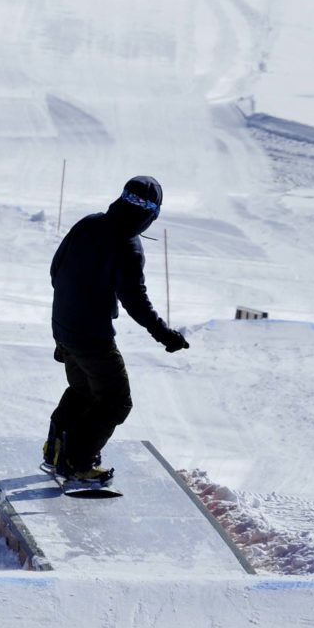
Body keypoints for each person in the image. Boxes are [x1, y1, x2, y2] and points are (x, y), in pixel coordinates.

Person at [44, 174, 188, 483]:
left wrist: (69, 313)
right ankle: (78, 462)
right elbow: (135, 301)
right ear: (151, 214)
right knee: (115, 401)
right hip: (90, 336)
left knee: (83, 390)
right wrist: (164, 334)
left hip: (64, 325)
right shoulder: (127, 245)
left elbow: (56, 269)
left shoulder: (89, 223)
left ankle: (55, 450)